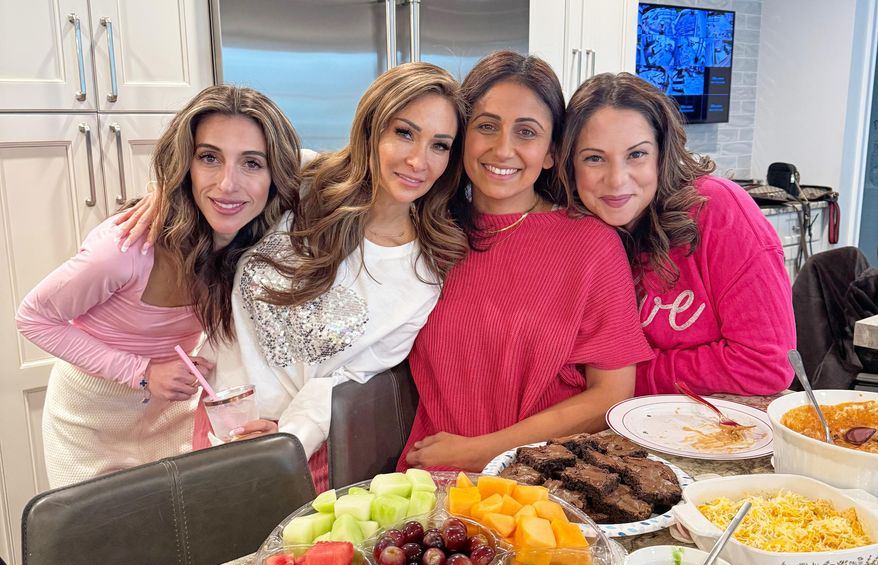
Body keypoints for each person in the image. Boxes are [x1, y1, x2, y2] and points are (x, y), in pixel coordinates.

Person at [116, 62, 468, 491]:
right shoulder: (303, 180)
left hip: (298, 454)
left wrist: (287, 440)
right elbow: (217, 179)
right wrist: (165, 193)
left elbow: (345, 381)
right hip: (217, 422)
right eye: (405, 133)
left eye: (440, 145)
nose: (418, 160)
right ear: (372, 128)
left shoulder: (423, 273)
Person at [16, 85, 302, 487]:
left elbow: (323, 168)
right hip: (90, 418)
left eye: (252, 163)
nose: (226, 184)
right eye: (209, 158)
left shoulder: (250, 237)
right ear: (184, 164)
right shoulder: (123, 249)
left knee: (182, 538)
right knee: (104, 544)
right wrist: (143, 371)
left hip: (172, 408)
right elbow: (33, 318)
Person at [400, 51, 654, 473]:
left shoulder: (591, 243)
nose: (503, 149)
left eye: (527, 132)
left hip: (543, 481)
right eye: (486, 127)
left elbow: (610, 394)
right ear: (464, 138)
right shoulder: (427, 232)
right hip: (433, 480)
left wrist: (484, 451)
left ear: (552, 152)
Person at [557, 72, 795, 397]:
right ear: (569, 164)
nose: (616, 180)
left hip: (720, 428)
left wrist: (616, 383)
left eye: (636, 154)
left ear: (662, 153)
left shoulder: (718, 210)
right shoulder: (569, 234)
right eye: (594, 158)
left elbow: (765, 364)